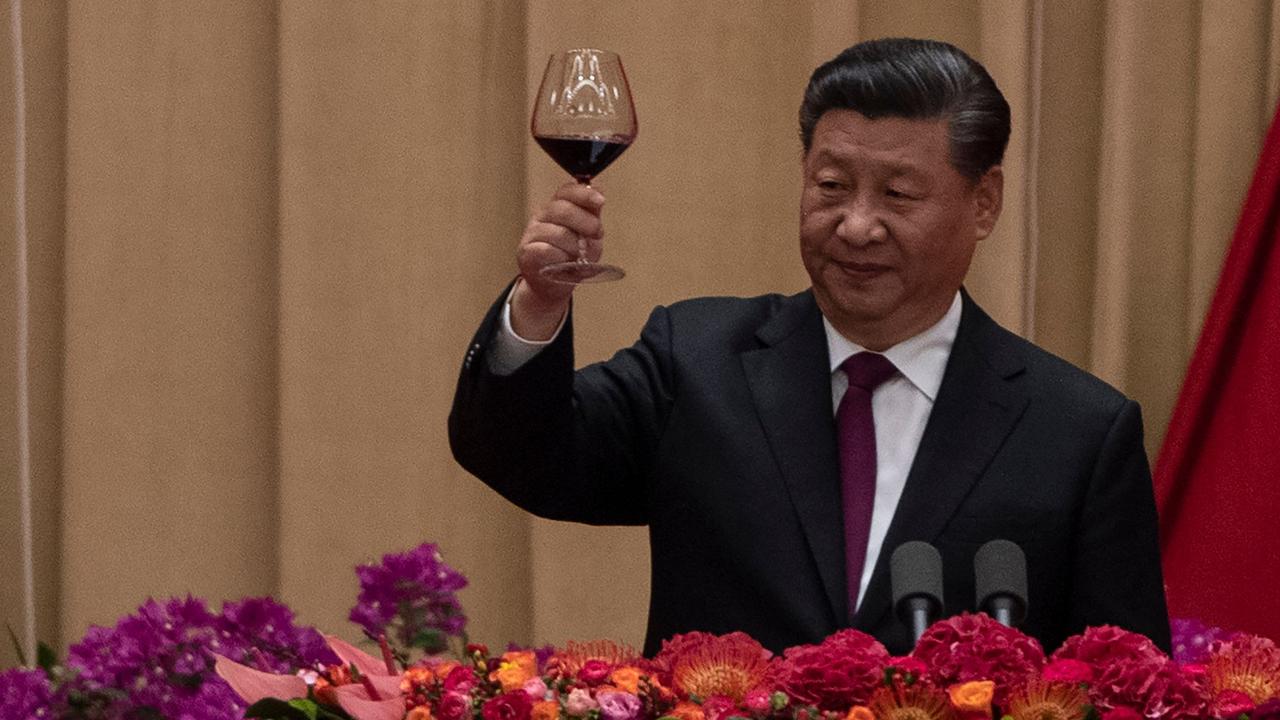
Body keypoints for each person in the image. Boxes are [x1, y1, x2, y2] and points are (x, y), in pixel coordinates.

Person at [449, 37, 1171, 657]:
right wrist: (539, 305)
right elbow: (522, 455)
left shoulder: (1077, 433)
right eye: (831, 185)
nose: (856, 225)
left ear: (983, 203)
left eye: (897, 195)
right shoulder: (696, 362)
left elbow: (1123, 678)